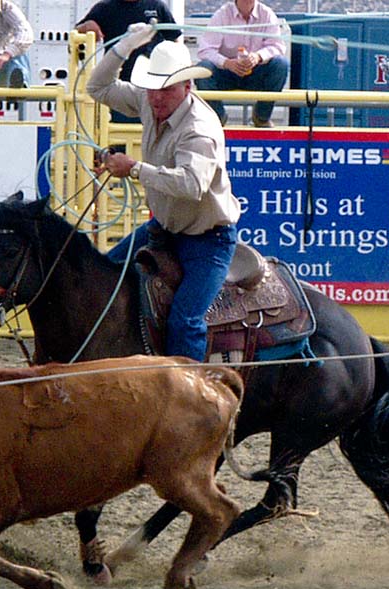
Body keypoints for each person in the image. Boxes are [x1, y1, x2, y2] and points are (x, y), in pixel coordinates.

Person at [86, 27, 240, 362]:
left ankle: (192, 399)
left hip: (208, 239)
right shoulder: (148, 99)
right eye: (153, 87)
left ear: (188, 86)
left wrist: (135, 169)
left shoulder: (200, 129)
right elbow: (96, 86)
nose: (157, 97)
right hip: (165, 230)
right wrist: (126, 44)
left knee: (186, 321)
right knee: (103, 281)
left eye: (166, 89)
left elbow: (191, 185)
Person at [75, 0, 181, 124]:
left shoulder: (157, 6)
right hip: (119, 88)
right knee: (119, 133)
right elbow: (78, 31)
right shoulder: (104, 7)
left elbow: (174, 39)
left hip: (152, 87)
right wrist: (87, 25)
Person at [195, 0, 289, 128]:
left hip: (255, 72)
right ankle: (218, 117)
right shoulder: (221, 15)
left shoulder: (267, 14)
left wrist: (258, 57)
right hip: (226, 73)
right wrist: (227, 63)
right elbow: (205, 50)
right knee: (202, 69)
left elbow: (277, 46)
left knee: (281, 65)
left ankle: (261, 117)